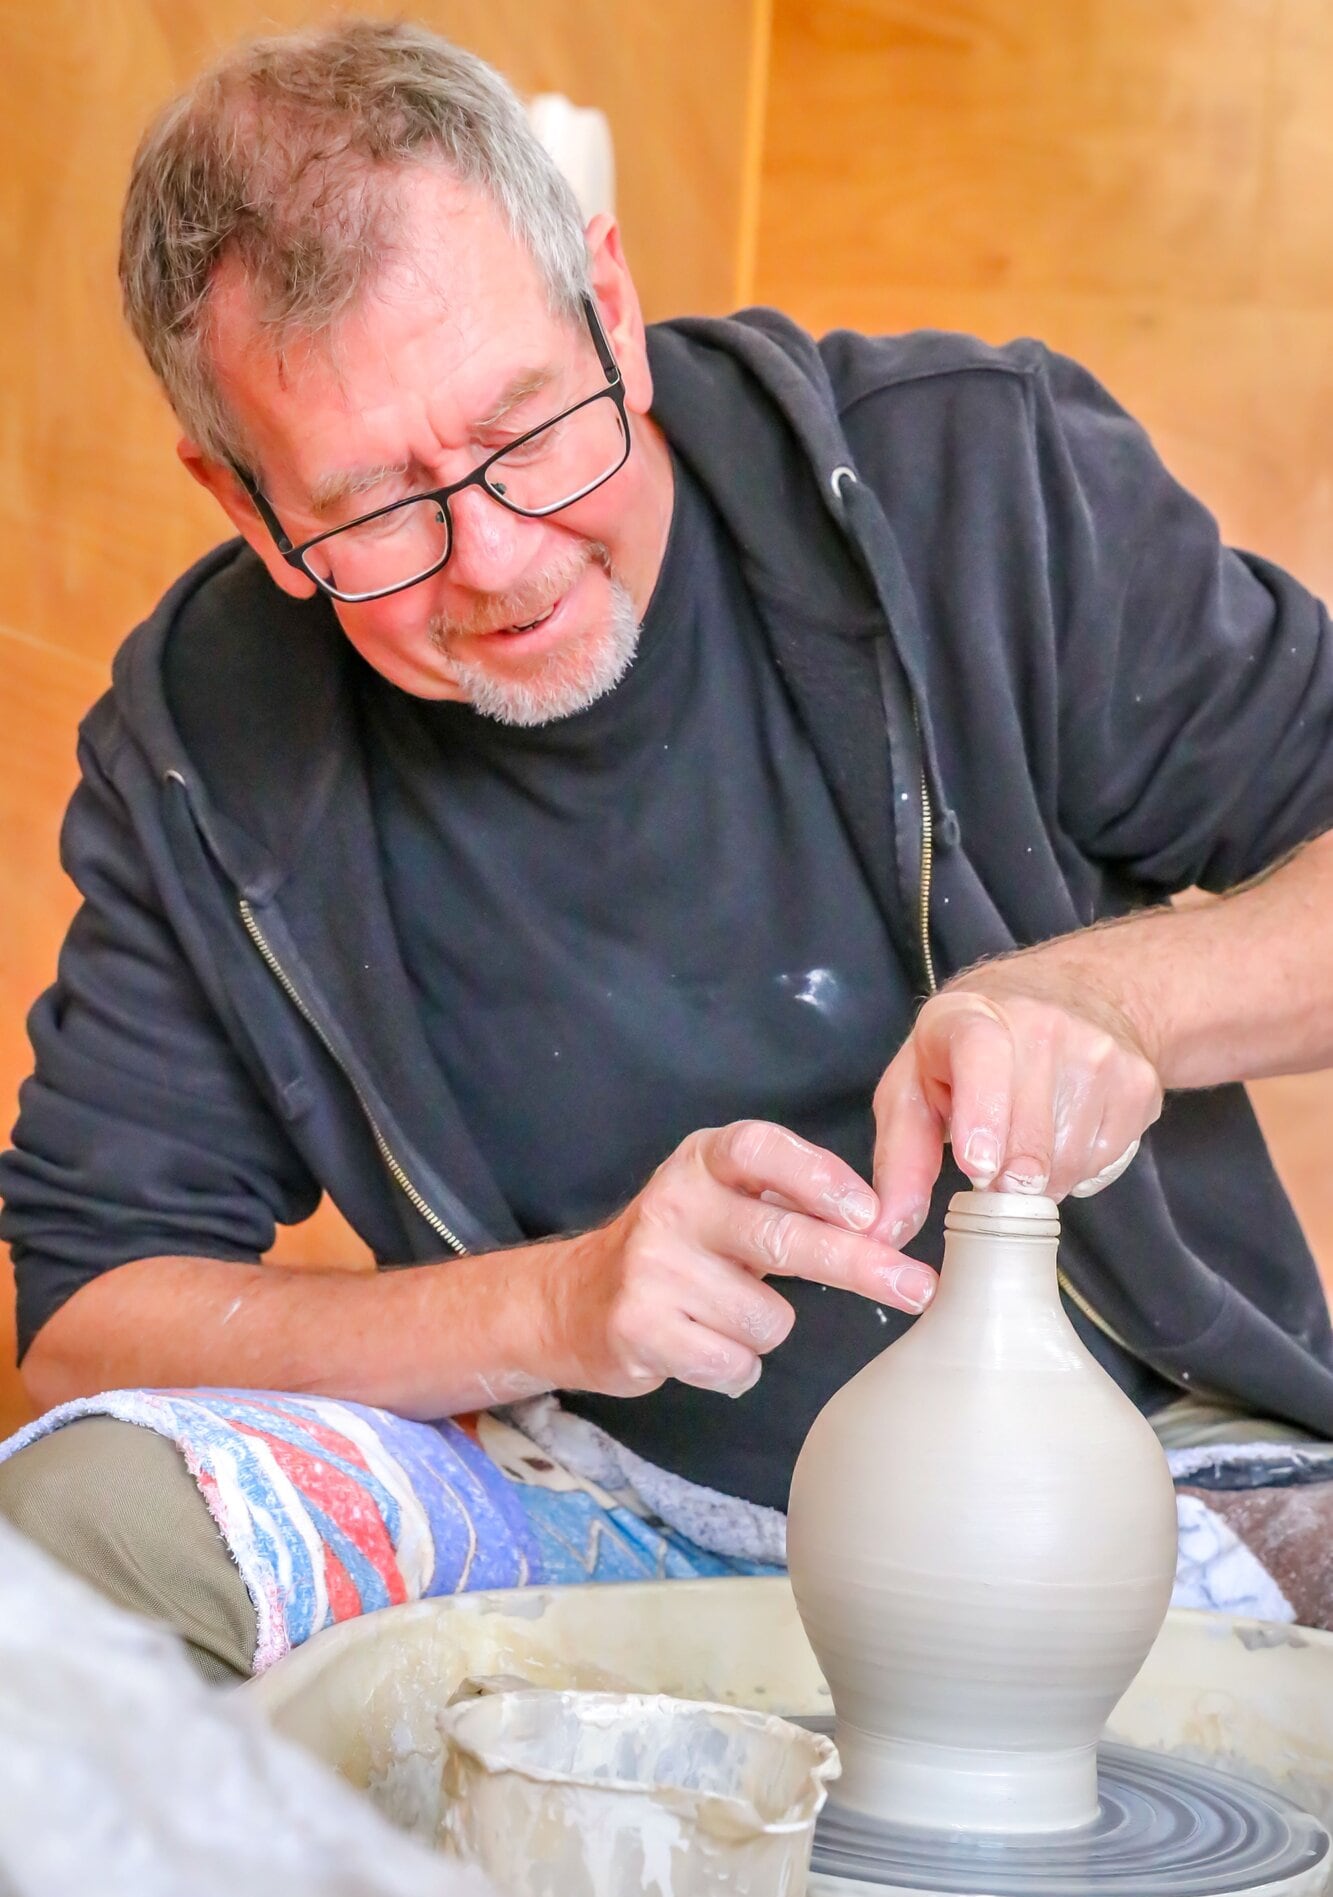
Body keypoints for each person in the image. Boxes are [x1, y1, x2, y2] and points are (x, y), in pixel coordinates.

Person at [3, 19, 1333, 1682]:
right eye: (368, 509)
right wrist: (556, 1310)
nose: (494, 556)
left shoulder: (967, 475)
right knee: (81, 1526)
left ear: (609, 306)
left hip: (1133, 1473)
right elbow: (84, 1317)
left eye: (527, 423)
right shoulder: (200, 743)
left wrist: (1122, 1004)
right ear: (244, 504)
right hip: (592, 1502)